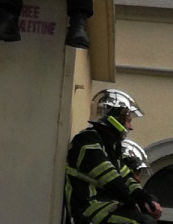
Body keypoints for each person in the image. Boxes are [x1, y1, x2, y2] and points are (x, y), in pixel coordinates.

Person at [65, 89, 161, 224]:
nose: (130, 127)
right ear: (114, 119)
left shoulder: (110, 146)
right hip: (89, 209)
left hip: (104, 207)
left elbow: (126, 178)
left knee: (147, 213)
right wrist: (133, 203)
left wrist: (145, 199)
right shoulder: (87, 141)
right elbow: (112, 180)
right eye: (128, 121)